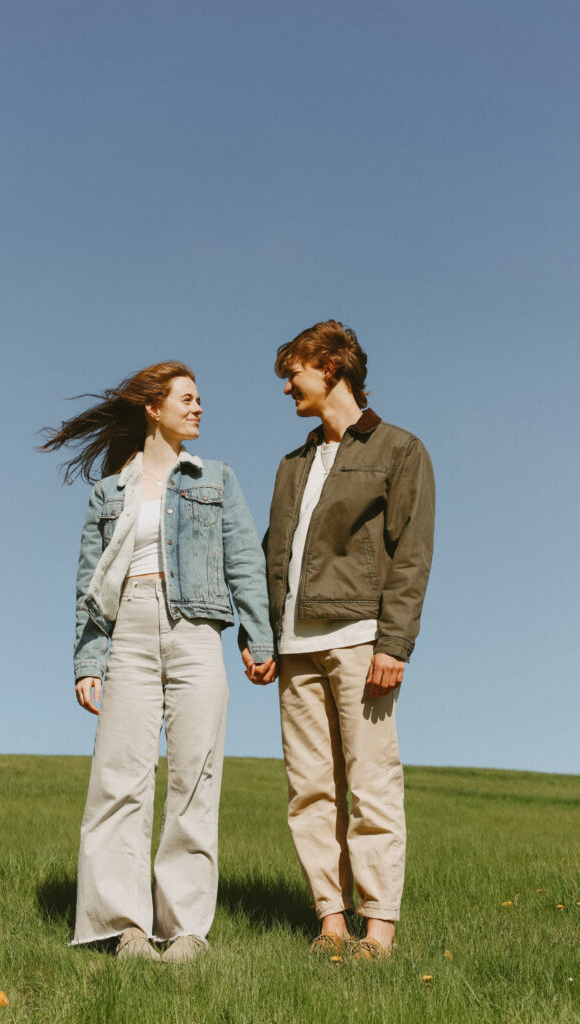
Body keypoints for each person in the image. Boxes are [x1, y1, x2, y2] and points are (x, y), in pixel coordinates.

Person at [41, 362, 276, 963]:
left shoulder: (215, 478)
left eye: (200, 400)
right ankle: (126, 928)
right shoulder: (109, 492)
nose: (199, 409)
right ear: (154, 407)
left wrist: (258, 634)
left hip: (197, 630)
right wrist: (88, 659)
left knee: (195, 775)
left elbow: (245, 560)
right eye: (188, 399)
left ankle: (186, 928)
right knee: (119, 777)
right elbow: (90, 583)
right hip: (130, 631)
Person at [256, 320, 434, 959]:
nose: (287, 386)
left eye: (294, 372)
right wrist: (264, 636)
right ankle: (331, 923)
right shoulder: (293, 463)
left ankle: (378, 929)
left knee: (372, 783)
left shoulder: (399, 450)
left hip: (362, 639)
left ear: (331, 367)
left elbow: (410, 555)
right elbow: (272, 554)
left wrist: (395, 643)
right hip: (295, 646)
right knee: (309, 787)